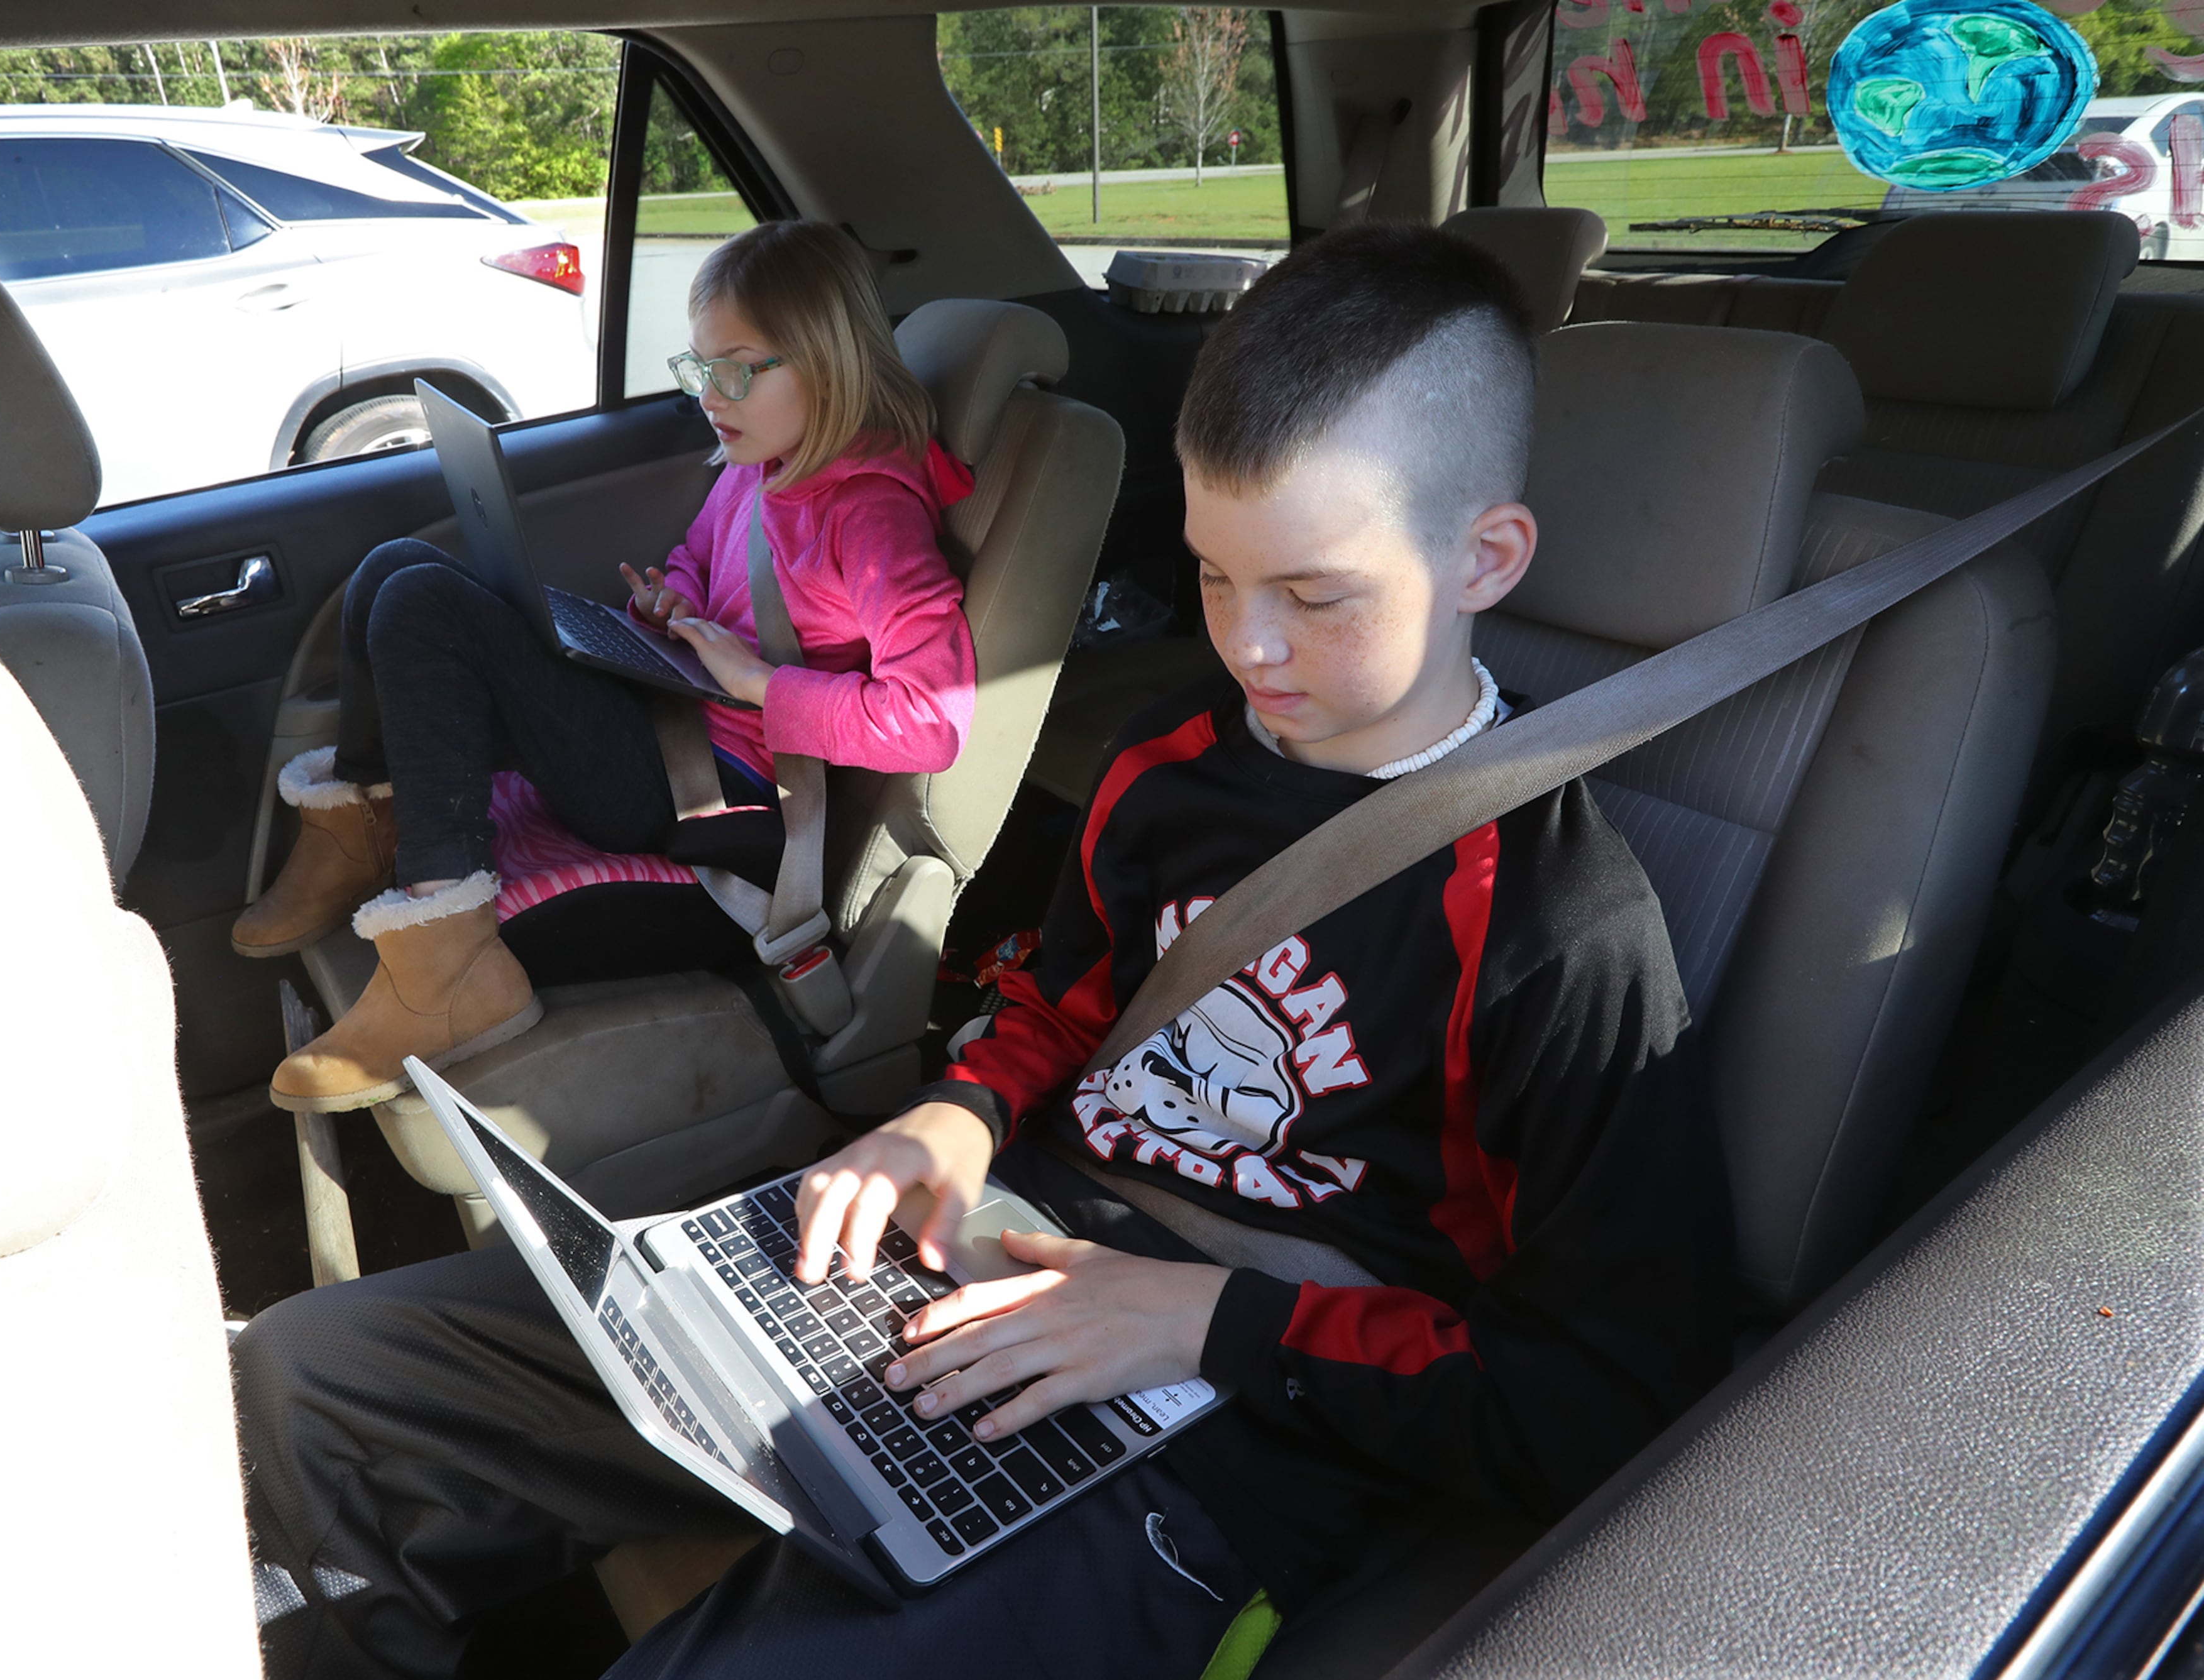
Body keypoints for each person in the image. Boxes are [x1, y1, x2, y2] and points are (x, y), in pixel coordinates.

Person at [231, 221, 1734, 1679]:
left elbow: (1604, 1390)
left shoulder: (1558, 923)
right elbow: (1054, 1004)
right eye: (1214, 575)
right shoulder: (1171, 774)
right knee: (321, 1381)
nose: (1250, 645)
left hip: (1231, 1419)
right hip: (978, 1251)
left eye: (1314, 593)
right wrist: (949, 1118)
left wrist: (1211, 1317)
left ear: (1487, 556)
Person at [232, 220, 978, 1114]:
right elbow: (702, 557)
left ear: (827, 361)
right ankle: (358, 832)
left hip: (718, 790)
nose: (712, 395)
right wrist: (675, 601)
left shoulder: (868, 516)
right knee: (391, 569)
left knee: (424, 607)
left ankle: (450, 965)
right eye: (699, 368)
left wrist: (757, 685)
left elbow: (931, 719)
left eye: (737, 368)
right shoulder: (761, 464)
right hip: (667, 717)